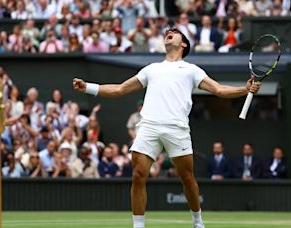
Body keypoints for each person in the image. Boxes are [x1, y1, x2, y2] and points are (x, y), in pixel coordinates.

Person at [73, 28, 261, 228]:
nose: (168, 32)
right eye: (168, 32)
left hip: (177, 128)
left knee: (187, 178)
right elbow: (121, 89)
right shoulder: (151, 69)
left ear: (184, 44)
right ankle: (138, 226)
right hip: (149, 126)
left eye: (175, 32)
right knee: (138, 174)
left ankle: (197, 222)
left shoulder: (192, 70)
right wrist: (89, 87)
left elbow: (218, 89)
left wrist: (245, 89)